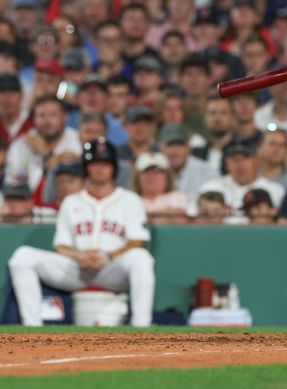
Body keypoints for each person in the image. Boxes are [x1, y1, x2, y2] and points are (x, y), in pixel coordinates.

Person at [7, 139, 155, 327]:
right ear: (86, 168)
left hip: (112, 268)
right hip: (77, 269)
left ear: (113, 168)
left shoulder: (130, 200)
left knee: (142, 258)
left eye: (105, 163)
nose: (100, 169)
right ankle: (33, 327)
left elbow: (137, 242)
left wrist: (107, 257)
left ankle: (142, 327)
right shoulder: (72, 202)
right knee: (22, 257)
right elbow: (61, 245)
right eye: (95, 163)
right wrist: (80, 256)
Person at [132, 151, 189, 224]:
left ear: (167, 177)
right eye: (146, 171)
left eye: (158, 170)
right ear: (137, 177)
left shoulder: (178, 196)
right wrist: (166, 214)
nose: (151, 175)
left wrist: (145, 216)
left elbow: (180, 219)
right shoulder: (130, 199)